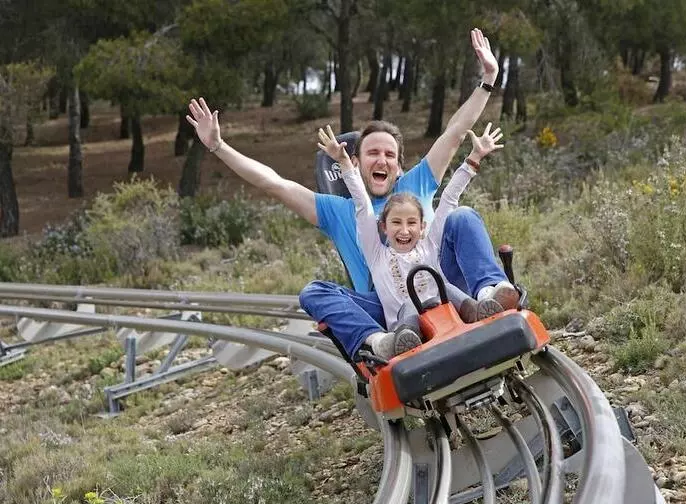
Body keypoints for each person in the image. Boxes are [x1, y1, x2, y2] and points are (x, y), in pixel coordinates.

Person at [186, 28, 517, 361]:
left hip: (440, 281)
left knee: (461, 215)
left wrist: (489, 78)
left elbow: (456, 132)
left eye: (390, 155)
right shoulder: (338, 210)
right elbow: (274, 183)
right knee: (314, 292)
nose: (381, 159)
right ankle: (378, 342)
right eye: (373, 153)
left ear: (400, 167)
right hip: (388, 307)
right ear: (355, 163)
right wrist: (218, 146)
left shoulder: (416, 183)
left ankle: (491, 293)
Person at [317, 123, 505, 359]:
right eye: (396, 223)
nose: (405, 231)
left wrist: (475, 157)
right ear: (383, 228)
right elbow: (362, 206)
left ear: (423, 227)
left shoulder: (429, 246)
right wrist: (345, 164)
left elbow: (449, 198)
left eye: (411, 223)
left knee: (445, 283)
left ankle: (479, 307)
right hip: (408, 326)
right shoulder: (377, 255)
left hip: (446, 311)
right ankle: (401, 339)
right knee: (406, 309)